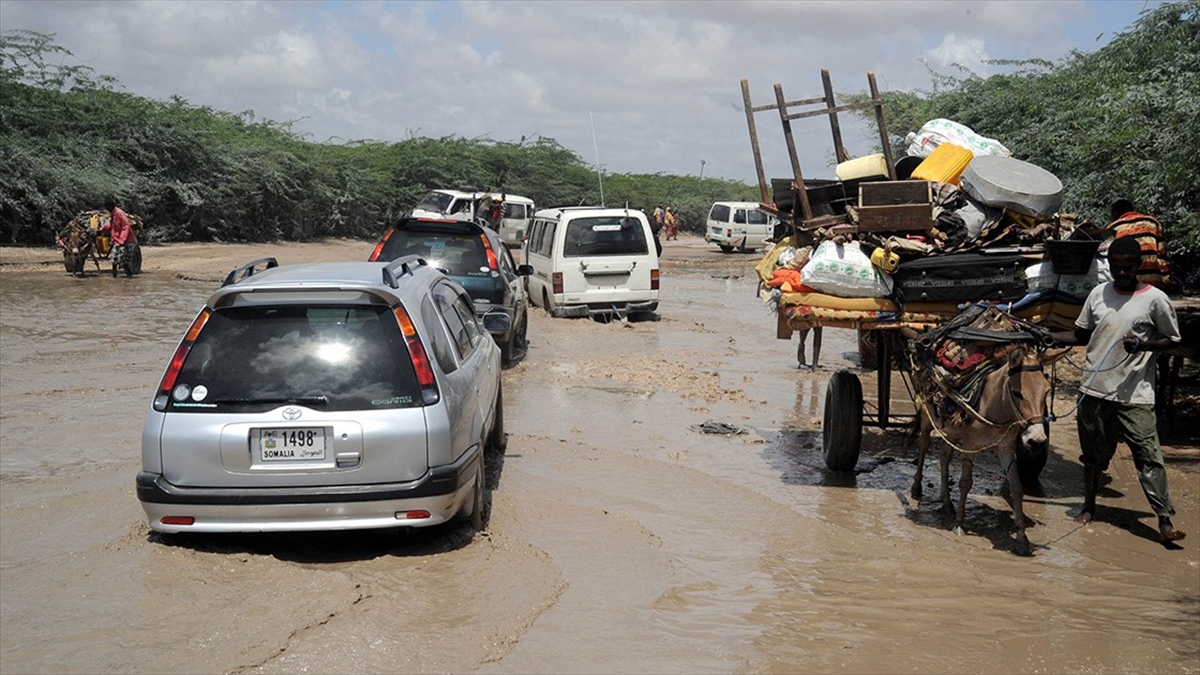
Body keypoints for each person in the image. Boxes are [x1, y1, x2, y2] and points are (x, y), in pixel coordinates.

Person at [1052, 236, 1184, 543]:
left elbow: (1172, 340)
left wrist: (1144, 345)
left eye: (1128, 267)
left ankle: (1165, 520)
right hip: (1094, 390)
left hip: (1135, 394)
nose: (1122, 272)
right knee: (1093, 456)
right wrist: (1050, 336)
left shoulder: (1155, 299)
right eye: (1116, 267)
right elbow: (1082, 335)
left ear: (1138, 266)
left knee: (1148, 455)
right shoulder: (1098, 294)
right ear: (1109, 266)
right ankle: (1088, 506)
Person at [1107, 199, 1169, 290]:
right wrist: (1165, 279)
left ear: (1114, 213)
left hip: (1128, 281)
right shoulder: (1153, 222)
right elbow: (1161, 254)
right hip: (1154, 279)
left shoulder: (1113, 228)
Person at [97, 198, 137, 271]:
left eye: (108, 207)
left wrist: (121, 240)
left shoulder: (119, 213)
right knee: (114, 259)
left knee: (126, 262)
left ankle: (128, 273)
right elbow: (112, 225)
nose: (107, 209)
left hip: (126, 240)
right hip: (116, 240)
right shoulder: (113, 214)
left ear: (111, 206)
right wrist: (102, 229)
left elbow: (126, 226)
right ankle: (115, 275)